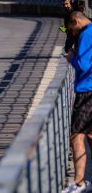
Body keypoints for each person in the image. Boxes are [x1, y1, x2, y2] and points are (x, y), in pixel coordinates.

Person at [62, 11, 92, 193]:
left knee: (76, 135)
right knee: (89, 135)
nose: (73, 34)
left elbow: (83, 65)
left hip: (87, 91)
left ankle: (79, 183)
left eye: (72, 30)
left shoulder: (87, 33)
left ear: (76, 20)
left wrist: (71, 56)